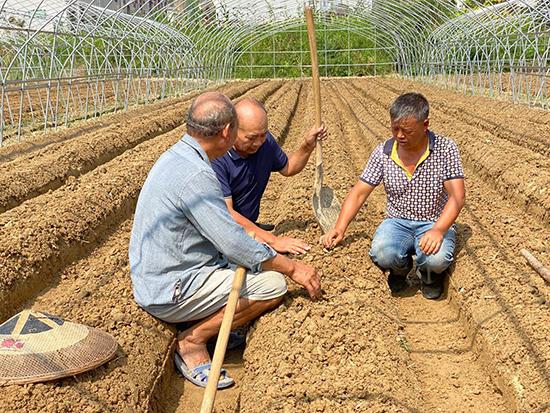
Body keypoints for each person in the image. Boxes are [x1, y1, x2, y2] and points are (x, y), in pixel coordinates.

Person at [129, 92, 321, 389]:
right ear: (227, 132)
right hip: (171, 287)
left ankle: (219, 322)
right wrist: (292, 267)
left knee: (254, 262)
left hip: (166, 272)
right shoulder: (197, 175)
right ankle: (193, 341)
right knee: (273, 284)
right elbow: (232, 241)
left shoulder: (177, 157)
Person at [321, 92, 465, 299]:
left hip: (434, 220)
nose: (399, 135)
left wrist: (439, 229)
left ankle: (428, 275)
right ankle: (400, 270)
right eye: (394, 128)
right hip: (397, 222)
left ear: (425, 125)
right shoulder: (384, 152)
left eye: (406, 131)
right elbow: (360, 192)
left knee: (436, 259)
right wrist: (340, 227)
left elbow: (457, 196)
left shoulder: (445, 149)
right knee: (382, 253)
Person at [211, 98, 328, 255]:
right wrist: (274, 241)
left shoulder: (265, 142)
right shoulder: (217, 158)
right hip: (222, 233)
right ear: (231, 130)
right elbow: (226, 214)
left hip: (248, 226)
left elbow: (288, 168)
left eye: (263, 135)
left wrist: (307, 146)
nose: (259, 142)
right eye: (251, 137)